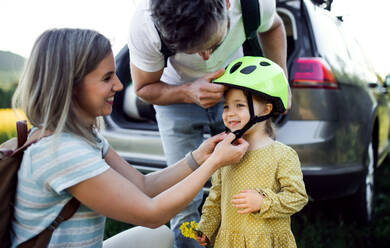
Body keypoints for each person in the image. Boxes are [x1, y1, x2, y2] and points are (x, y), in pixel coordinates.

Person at [10, 28, 249, 248]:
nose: (119, 85)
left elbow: (143, 186)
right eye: (107, 78)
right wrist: (214, 163)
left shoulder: (84, 137)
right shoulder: (62, 152)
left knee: (159, 237)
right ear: (70, 85)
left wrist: (198, 157)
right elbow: (152, 214)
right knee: (155, 229)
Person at [128, 0, 289, 247]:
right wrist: (187, 92)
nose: (205, 58)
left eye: (214, 44)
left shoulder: (255, 4)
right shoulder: (145, 26)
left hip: (235, 91)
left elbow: (274, 27)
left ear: (226, 5)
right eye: (190, 50)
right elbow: (143, 88)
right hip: (174, 97)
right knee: (183, 201)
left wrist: (281, 82)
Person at [194, 56, 308, 248]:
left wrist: (263, 202)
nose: (230, 113)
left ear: (265, 110)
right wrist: (207, 227)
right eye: (226, 106)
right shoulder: (226, 153)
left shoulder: (282, 155)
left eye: (240, 105)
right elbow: (216, 196)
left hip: (264, 241)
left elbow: (297, 197)